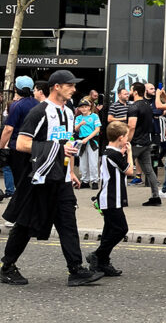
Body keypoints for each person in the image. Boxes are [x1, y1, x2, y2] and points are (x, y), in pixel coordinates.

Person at [0, 70, 103, 286]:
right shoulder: (40, 112)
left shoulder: (69, 112)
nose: (74, 89)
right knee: (26, 225)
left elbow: (68, 144)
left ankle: (76, 269)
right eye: (70, 85)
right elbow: (21, 144)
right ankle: (7, 266)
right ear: (57, 86)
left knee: (68, 222)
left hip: (61, 178)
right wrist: (56, 150)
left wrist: (71, 171)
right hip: (39, 178)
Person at [86, 121, 133, 277]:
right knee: (121, 229)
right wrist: (130, 153)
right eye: (126, 136)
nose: (128, 139)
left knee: (109, 230)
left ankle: (103, 262)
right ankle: (97, 255)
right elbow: (130, 171)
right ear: (120, 138)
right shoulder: (114, 154)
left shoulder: (108, 152)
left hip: (109, 196)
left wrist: (123, 152)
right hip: (112, 197)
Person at [0, 76, 39, 194]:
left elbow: (8, 129)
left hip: (18, 146)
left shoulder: (16, 105)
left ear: (16, 89)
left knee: (20, 181)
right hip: (36, 146)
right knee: (32, 179)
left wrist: (1, 146)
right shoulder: (39, 104)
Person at [126, 82, 161, 205]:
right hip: (146, 142)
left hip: (135, 143)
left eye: (130, 89)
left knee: (123, 169)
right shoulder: (147, 105)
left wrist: (127, 142)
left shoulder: (134, 107)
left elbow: (131, 126)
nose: (129, 92)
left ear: (135, 92)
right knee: (149, 170)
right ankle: (155, 197)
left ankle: (120, 197)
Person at [74, 100, 101, 190]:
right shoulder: (78, 118)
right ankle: (85, 180)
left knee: (93, 162)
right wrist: (80, 125)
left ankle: (94, 180)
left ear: (89, 107)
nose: (84, 109)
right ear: (79, 108)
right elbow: (76, 129)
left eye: (86, 107)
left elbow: (97, 129)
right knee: (83, 162)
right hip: (82, 141)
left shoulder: (94, 116)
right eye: (82, 107)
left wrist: (88, 138)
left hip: (92, 141)